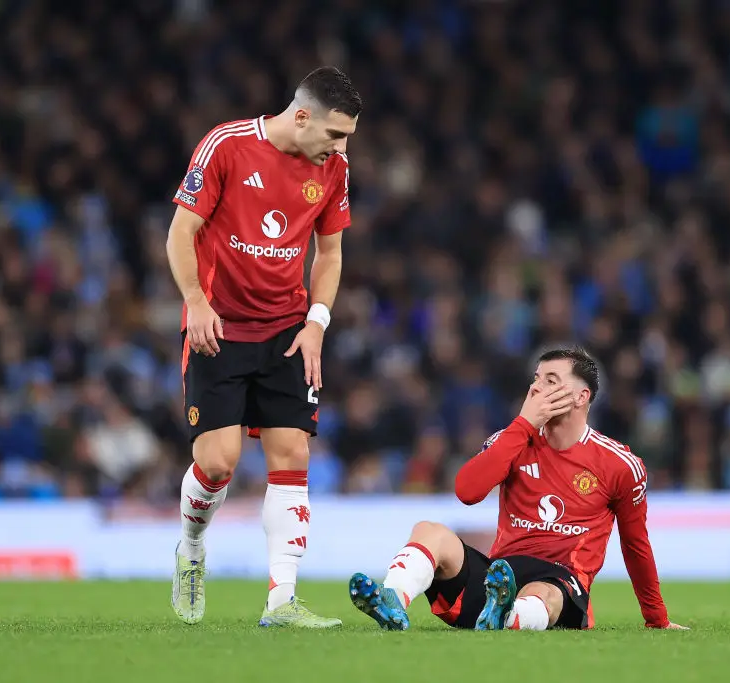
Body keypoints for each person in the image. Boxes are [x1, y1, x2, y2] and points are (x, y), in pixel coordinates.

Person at [165, 66, 360, 628]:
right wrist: (196, 302)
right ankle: (192, 548)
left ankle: (282, 600)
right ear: (301, 117)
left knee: (292, 455)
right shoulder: (226, 147)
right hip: (219, 326)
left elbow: (330, 254)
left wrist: (318, 321)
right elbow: (181, 231)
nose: (341, 148)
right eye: (334, 134)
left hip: (286, 329)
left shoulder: (334, 169)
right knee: (218, 463)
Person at [348, 347, 688, 631]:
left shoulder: (618, 464)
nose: (537, 388)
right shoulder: (511, 440)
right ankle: (392, 600)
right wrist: (523, 424)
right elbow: (467, 491)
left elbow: (635, 543)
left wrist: (656, 618)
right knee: (429, 530)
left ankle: (508, 616)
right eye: (536, 379)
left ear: (581, 396)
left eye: (551, 381)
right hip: (498, 577)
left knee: (545, 593)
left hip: (561, 581)